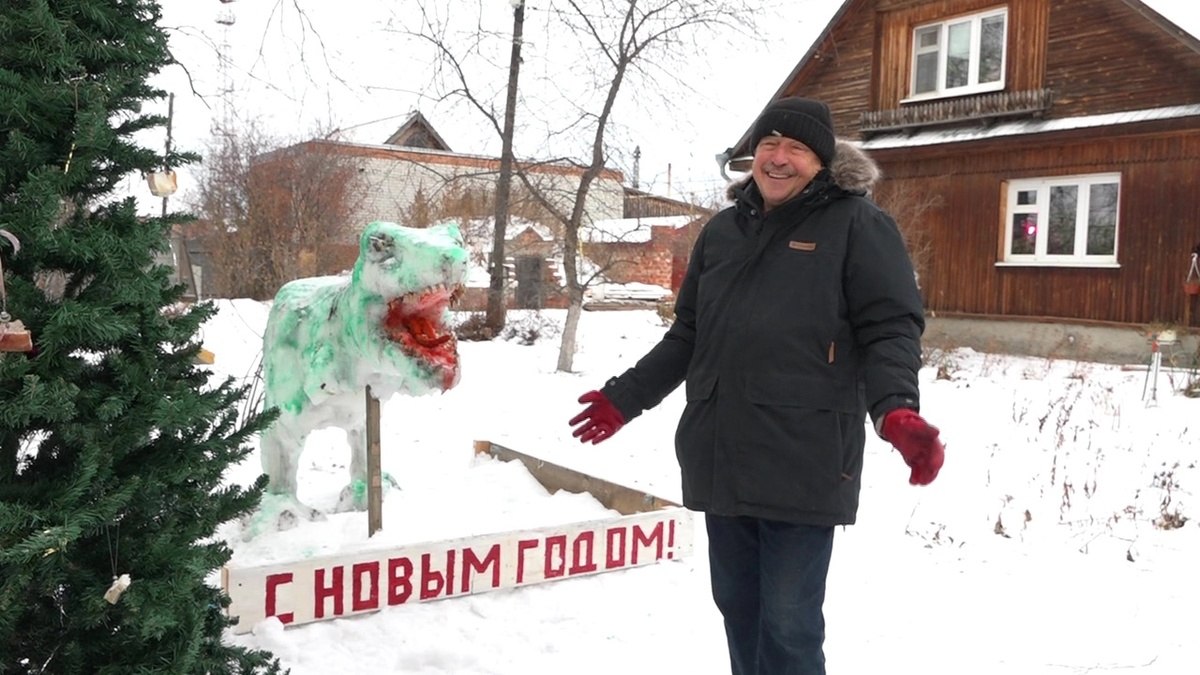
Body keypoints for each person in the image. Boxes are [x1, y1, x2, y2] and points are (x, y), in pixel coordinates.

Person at [568, 97, 944, 675]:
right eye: (769, 143)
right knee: (738, 608)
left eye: (795, 147)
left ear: (821, 161)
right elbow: (689, 332)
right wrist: (626, 397)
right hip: (723, 448)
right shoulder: (723, 231)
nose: (778, 157)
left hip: (805, 454)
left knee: (789, 622)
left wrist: (895, 409)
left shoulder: (858, 225)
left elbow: (891, 327)